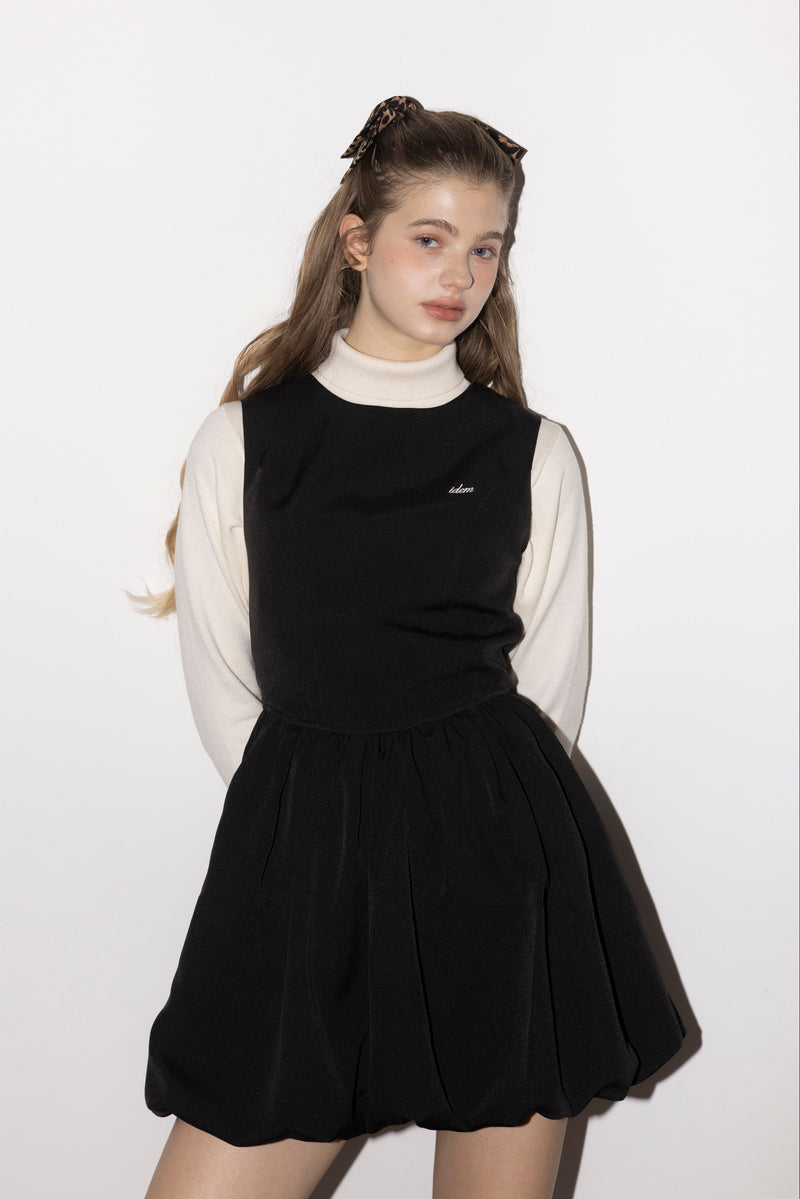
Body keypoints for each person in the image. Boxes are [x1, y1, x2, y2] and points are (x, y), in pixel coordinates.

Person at [134, 96, 685, 1199]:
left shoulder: (531, 451)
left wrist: (462, 835)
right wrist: (321, 828)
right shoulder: (247, 439)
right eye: (429, 238)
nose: (459, 274)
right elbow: (222, 680)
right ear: (357, 241)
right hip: (305, 863)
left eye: (485, 248)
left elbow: (547, 693)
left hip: (498, 869)